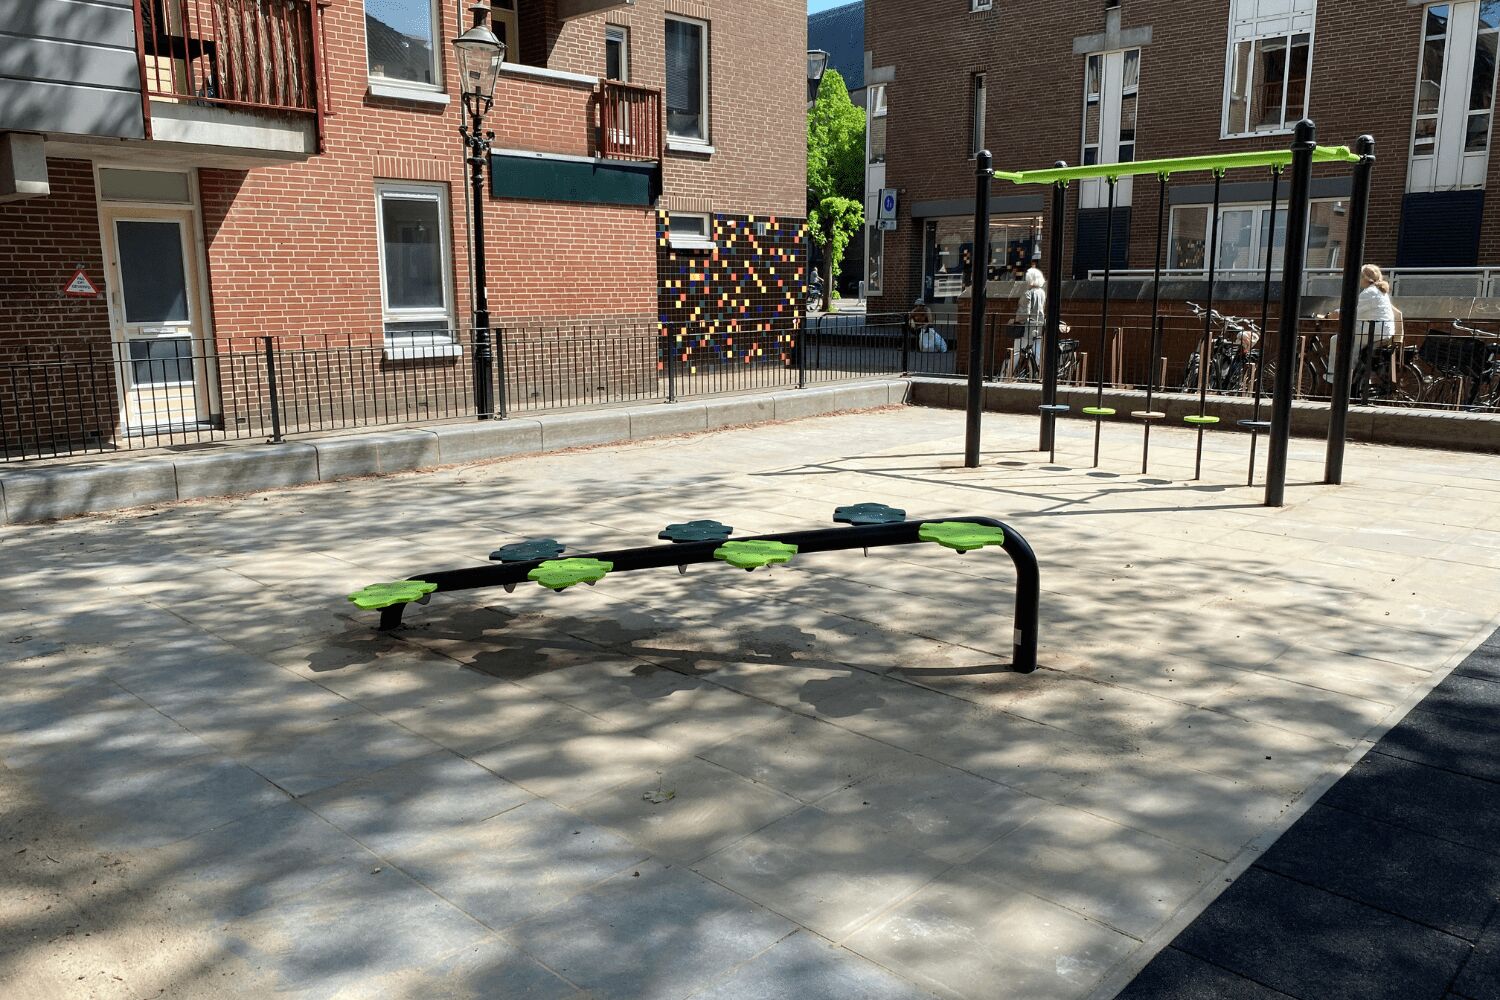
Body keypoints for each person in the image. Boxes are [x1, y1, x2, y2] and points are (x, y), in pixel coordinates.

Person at [1327, 264, 1396, 382]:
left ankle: (1335, 376)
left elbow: (1352, 310)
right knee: (1353, 345)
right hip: (1382, 331)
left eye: (1360, 276)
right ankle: (1354, 377)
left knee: (1336, 340)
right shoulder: (1379, 291)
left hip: (1375, 331)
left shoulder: (1370, 292)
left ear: (1365, 278)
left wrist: (1334, 314)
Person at [1013, 263, 1047, 375]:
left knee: (1017, 351)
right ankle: (1038, 373)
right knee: (1037, 352)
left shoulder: (1028, 293)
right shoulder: (1042, 293)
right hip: (1039, 326)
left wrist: (1015, 320)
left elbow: (1024, 313)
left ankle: (1008, 374)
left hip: (1027, 328)